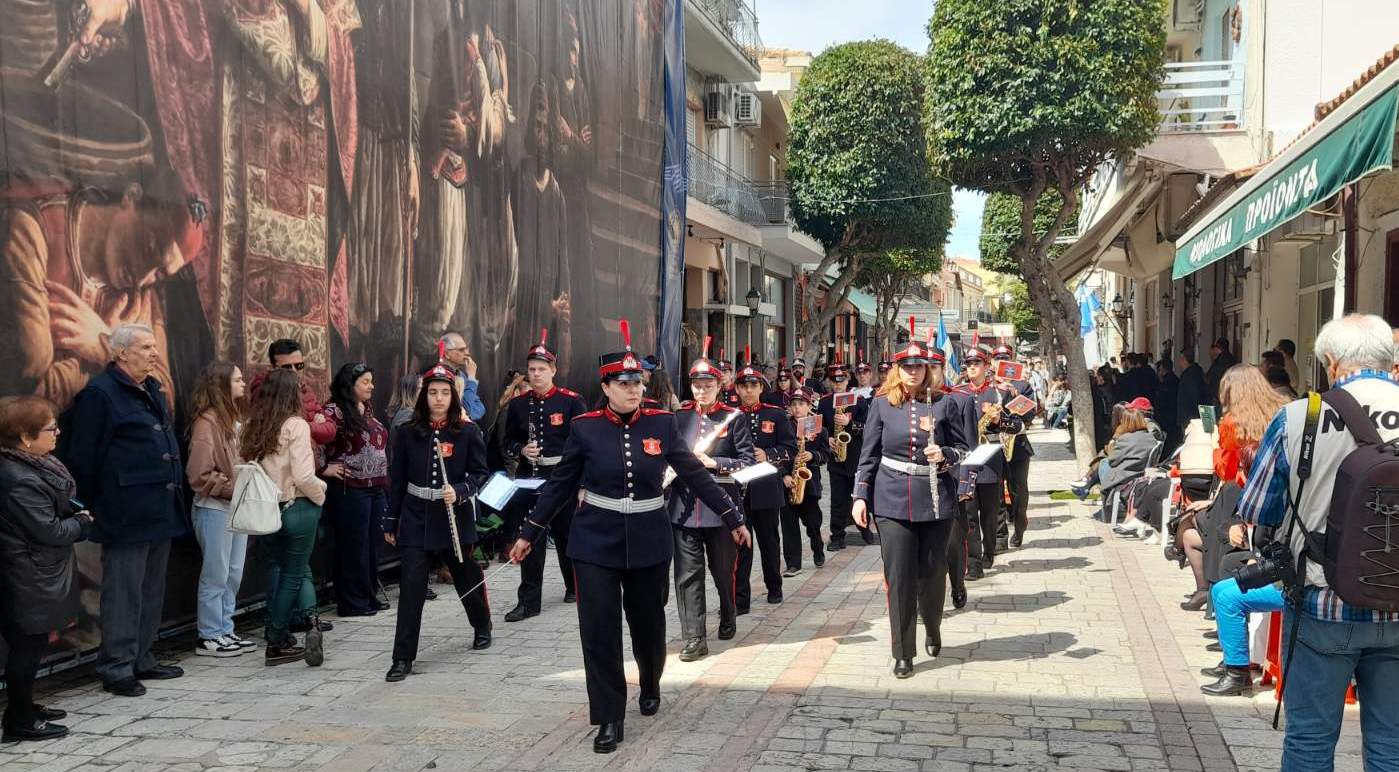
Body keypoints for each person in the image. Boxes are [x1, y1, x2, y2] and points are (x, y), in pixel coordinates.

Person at [509, 325, 751, 753]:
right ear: (606, 387)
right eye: (623, 383)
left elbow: (695, 475)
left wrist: (732, 516)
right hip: (594, 541)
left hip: (648, 539)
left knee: (648, 625)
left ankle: (650, 680)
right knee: (599, 630)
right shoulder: (584, 428)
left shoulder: (662, 423)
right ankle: (608, 716)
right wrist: (530, 532)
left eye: (637, 382)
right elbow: (560, 485)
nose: (634, 389)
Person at [1238, 314, 1399, 771]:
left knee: (1309, 742)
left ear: (1330, 362)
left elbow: (1258, 509)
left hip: (1321, 603)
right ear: (1389, 358)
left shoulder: (1300, 417)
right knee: (1392, 747)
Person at [62, 324, 186, 696]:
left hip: (160, 508)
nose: (154, 353)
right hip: (125, 512)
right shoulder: (100, 394)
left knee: (151, 590)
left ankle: (142, 658)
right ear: (120, 353)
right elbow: (83, 457)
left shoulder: (151, 389)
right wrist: (92, 506)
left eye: (154, 346)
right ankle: (117, 668)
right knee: (123, 593)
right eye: (146, 347)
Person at [851, 325, 975, 678]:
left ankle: (933, 625)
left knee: (933, 573)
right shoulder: (881, 405)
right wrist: (860, 496)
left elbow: (964, 449)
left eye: (919, 366)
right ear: (897, 369)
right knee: (900, 577)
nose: (913, 372)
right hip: (891, 499)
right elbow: (868, 456)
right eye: (907, 366)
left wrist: (946, 454)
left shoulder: (946, 403)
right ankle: (903, 652)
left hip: (935, 499)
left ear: (927, 369)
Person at [383, 364, 494, 683]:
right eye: (433, 392)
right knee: (411, 587)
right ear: (424, 396)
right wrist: (391, 520)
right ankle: (402, 657)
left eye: (445, 392)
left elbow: (480, 473)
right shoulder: (408, 432)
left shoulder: (467, 431)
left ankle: (482, 624)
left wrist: (460, 490)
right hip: (416, 517)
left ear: (453, 396)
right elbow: (397, 479)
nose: (439, 398)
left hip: (452, 516)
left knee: (465, 575)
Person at [0, 397, 93, 742]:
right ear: (26, 437)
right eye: (50, 429)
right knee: (27, 645)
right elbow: (50, 530)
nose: (58, 433)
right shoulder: (18, 478)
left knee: (31, 644)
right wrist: (81, 523)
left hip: (33, 570)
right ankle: (19, 720)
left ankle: (24, 706)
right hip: (25, 574)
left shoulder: (28, 466)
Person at [669, 341, 754, 661]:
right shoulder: (679, 417)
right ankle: (695, 637)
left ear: (720, 386)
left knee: (722, 571)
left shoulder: (733, 418)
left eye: (707, 385)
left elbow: (747, 462)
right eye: (696, 385)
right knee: (687, 576)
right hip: (684, 506)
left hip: (721, 508)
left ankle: (728, 612)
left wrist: (715, 463)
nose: (701, 391)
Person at [241, 369, 327, 666]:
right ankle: (276, 638)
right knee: (294, 574)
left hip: (266, 510)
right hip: (298, 505)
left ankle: (313, 623)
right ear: (292, 394)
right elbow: (303, 475)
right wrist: (320, 493)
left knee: (297, 569)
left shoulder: (252, 425)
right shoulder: (296, 425)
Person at [502, 331, 587, 621]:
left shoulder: (571, 401)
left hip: (562, 479)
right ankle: (528, 602)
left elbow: (586, 445)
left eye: (541, 369)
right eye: (532, 369)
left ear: (553, 370)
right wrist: (521, 449)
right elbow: (507, 441)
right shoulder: (518, 404)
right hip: (529, 479)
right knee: (531, 537)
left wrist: (582, 483)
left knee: (567, 535)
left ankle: (574, 586)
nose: (536, 374)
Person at [186, 362, 255, 657]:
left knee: (233, 572)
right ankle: (210, 634)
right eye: (237, 379)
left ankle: (225, 628)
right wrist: (232, 488)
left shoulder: (232, 418)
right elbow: (198, 474)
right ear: (222, 384)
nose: (243, 383)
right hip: (214, 508)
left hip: (236, 507)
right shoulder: (207, 422)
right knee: (216, 572)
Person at [320, 363, 390, 618]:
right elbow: (314, 441)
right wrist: (324, 468)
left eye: (371, 381)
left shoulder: (366, 408)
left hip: (375, 487)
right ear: (350, 385)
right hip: (350, 489)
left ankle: (368, 595)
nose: (372, 386)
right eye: (365, 382)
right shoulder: (333, 411)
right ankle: (352, 602)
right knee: (353, 546)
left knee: (372, 545)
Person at [734, 353, 795, 607]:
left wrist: (768, 454)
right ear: (737, 389)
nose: (749, 390)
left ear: (761, 388)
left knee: (769, 543)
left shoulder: (776, 414)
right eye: (744, 386)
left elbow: (790, 448)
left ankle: (774, 587)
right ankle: (740, 599)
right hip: (739, 491)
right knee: (740, 546)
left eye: (753, 385)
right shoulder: (731, 415)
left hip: (767, 489)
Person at [953, 347, 1011, 579]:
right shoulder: (958, 393)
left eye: (977, 363)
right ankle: (974, 563)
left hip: (989, 460)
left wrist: (999, 419)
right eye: (968, 364)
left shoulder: (999, 393)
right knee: (968, 514)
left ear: (986, 366)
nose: (972, 368)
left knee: (989, 514)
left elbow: (1015, 424)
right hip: (967, 459)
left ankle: (989, 551)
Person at [820, 361, 875, 550]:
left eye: (841, 380)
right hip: (836, 457)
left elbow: (868, 427)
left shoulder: (858, 401)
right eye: (834, 381)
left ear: (847, 380)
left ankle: (864, 528)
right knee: (837, 500)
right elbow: (819, 428)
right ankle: (837, 536)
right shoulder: (824, 402)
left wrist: (849, 423)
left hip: (856, 456)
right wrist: (827, 439)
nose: (838, 384)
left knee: (860, 496)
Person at [989, 345, 1036, 550]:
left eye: (1005, 358)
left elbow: (1029, 415)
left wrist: (1014, 396)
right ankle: (1000, 537)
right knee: (996, 492)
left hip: (1017, 444)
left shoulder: (1022, 386)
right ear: (992, 362)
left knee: (1018, 491)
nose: (1001, 362)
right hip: (993, 445)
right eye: (997, 358)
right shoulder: (988, 386)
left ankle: (1019, 524)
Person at [781, 388, 830, 575]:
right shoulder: (783, 427)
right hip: (787, 482)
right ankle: (793, 564)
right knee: (789, 526)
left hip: (809, 484)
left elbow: (826, 455)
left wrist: (812, 455)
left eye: (801, 404)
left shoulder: (819, 429)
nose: (797, 408)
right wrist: (783, 475)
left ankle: (818, 548)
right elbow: (777, 454)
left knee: (813, 523)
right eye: (793, 404)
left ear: (809, 406)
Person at [1069, 404, 1156, 503]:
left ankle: (1094, 490)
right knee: (1103, 459)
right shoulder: (1150, 438)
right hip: (1141, 472)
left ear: (1128, 422)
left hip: (1126, 475)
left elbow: (1113, 461)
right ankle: (1086, 484)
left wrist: (1111, 449)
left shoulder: (1126, 439)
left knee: (1104, 463)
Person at [438, 332, 487, 421]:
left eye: (467, 348)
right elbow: (469, 410)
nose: (467, 353)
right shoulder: (440, 376)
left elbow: (480, 409)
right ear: (447, 354)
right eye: (461, 350)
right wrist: (471, 377)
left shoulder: (460, 374)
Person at [1176, 350, 1208, 434]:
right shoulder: (1195, 373)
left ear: (1184, 360)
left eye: (1180, 359)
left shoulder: (1189, 376)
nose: (1179, 362)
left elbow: (1193, 397)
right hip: (1192, 416)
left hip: (1189, 417)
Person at [1155, 359, 1181, 451]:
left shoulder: (1165, 383)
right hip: (1174, 415)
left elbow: (1160, 399)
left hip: (1165, 416)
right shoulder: (1176, 380)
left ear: (1163, 368)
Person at [1204, 337, 1237, 406]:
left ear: (1218, 349)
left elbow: (1209, 378)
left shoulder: (1219, 361)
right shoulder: (1233, 360)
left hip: (1218, 398)